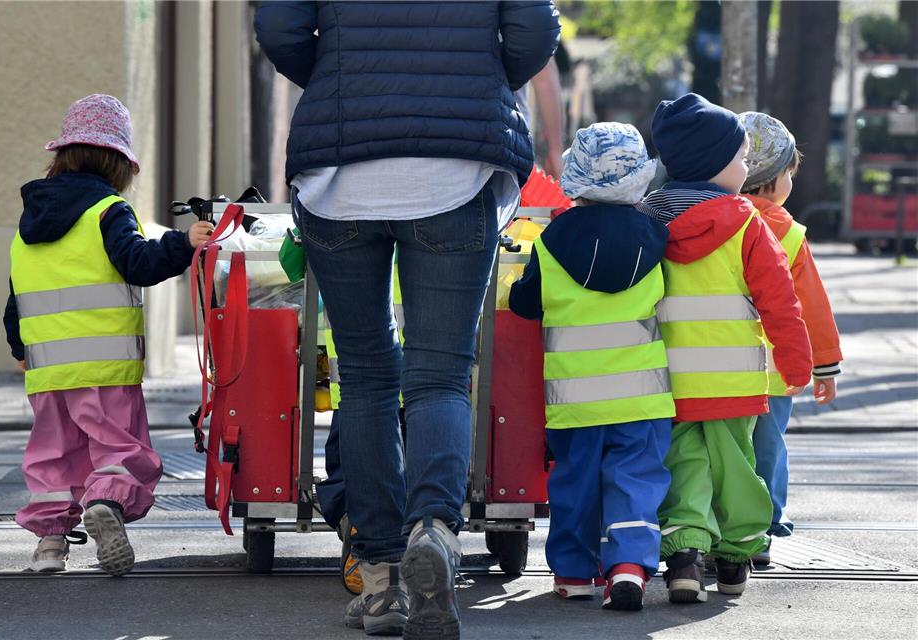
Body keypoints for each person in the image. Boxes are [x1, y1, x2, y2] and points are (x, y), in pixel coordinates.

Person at [255, 2, 560, 637]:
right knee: (441, 376)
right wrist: (482, 78)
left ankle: (382, 575)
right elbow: (534, 30)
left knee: (366, 376)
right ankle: (435, 532)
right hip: (458, 164)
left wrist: (338, 76)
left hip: (339, 172)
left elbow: (279, 26)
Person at [4, 94, 214, 576]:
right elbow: (137, 263)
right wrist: (184, 243)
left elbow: (16, 295)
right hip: (105, 366)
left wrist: (20, 348)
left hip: (46, 369)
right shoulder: (107, 210)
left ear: (62, 155)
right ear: (118, 162)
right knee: (118, 449)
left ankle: (50, 547)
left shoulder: (29, 222)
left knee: (53, 458)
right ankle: (106, 503)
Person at [640, 93, 812, 602]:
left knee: (684, 470)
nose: (746, 166)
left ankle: (686, 560)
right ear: (717, 166)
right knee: (736, 468)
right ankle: (736, 558)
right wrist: (796, 361)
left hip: (666, 383)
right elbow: (780, 301)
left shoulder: (649, 221)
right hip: (735, 383)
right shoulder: (747, 225)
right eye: (740, 157)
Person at [509, 123, 673, 611]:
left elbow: (525, 304)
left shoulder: (551, 240)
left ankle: (574, 573)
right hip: (642, 395)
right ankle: (628, 565)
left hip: (574, 401)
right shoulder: (657, 239)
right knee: (636, 480)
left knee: (574, 484)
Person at [738, 111, 843, 564]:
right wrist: (825, 366)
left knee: (725, 446)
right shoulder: (789, 233)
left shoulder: (717, 222)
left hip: (715, 366)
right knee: (769, 445)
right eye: (789, 174)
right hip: (777, 371)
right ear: (775, 180)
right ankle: (769, 516)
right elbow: (812, 307)